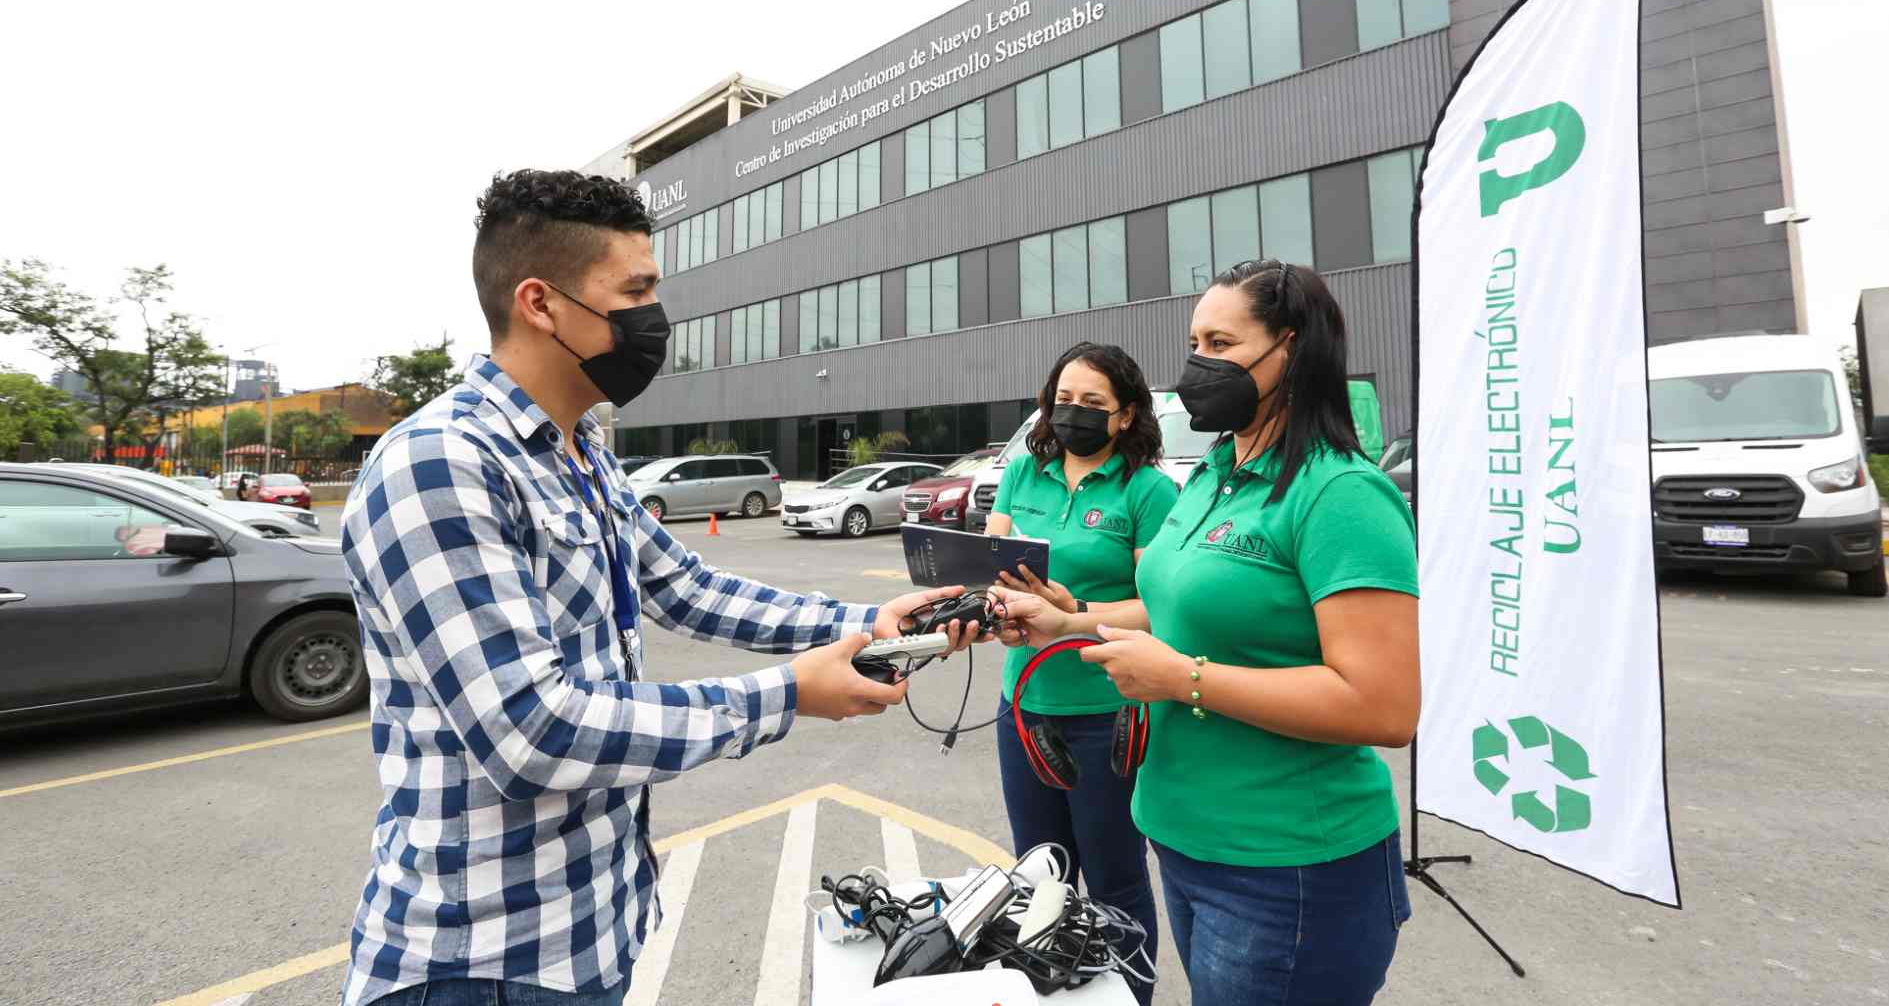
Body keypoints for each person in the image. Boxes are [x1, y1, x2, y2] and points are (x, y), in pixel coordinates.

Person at [339, 170, 983, 1006]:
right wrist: (789, 695)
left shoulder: (581, 452)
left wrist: (880, 621)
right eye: (634, 290)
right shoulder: (441, 464)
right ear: (540, 303)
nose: (655, 318)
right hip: (482, 961)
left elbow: (689, 588)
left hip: (593, 927)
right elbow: (534, 733)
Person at [997, 259, 1419, 1006]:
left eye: (1221, 343)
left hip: (1286, 870)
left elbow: (1382, 708)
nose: (1200, 364)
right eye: (1195, 341)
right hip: (1184, 844)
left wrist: (1184, 679)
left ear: (1291, 349)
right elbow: (1174, 610)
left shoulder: (1342, 493)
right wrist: (1071, 619)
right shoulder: (1213, 475)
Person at [982, 342, 1176, 1004]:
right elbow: (992, 568)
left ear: (1124, 416)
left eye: (1093, 403)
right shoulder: (1020, 475)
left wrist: (1074, 618)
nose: (1075, 413)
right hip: (1025, 706)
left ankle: (1131, 998)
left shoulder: (1148, 490)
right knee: (1039, 873)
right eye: (1064, 399)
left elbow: (1161, 607)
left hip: (1107, 712)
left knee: (1117, 880)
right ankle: (1049, 990)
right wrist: (996, 609)